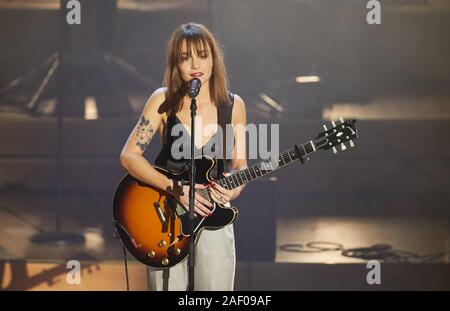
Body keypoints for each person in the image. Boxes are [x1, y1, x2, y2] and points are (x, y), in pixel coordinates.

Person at [119, 22, 248, 291]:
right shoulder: (162, 101)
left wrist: (234, 188)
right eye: (184, 57)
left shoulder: (234, 106)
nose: (194, 64)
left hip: (213, 215)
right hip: (165, 220)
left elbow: (240, 166)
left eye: (202, 55)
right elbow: (129, 156)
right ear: (175, 64)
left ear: (214, 59)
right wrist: (176, 189)